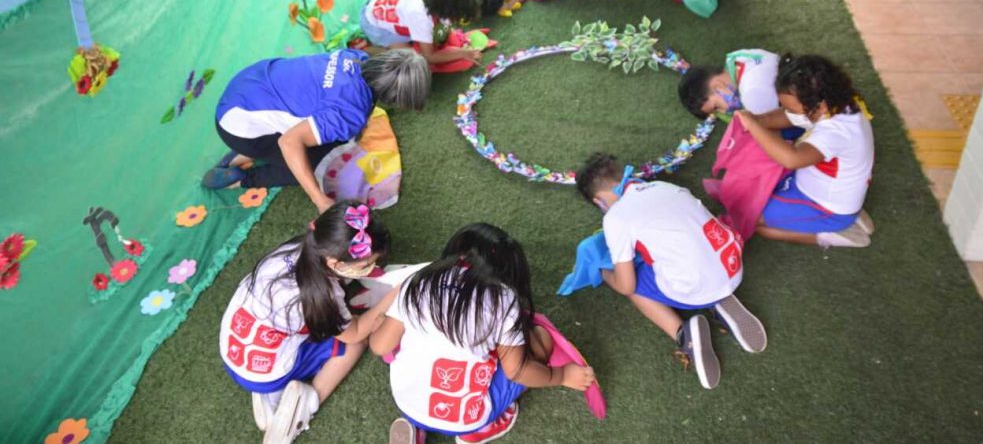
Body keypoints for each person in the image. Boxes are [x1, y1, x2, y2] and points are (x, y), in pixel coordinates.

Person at [371, 223, 595, 444]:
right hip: (465, 418)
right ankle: (480, 429)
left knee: (409, 343)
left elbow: (380, 347)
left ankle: (417, 428)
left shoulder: (419, 280)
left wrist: (383, 323)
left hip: (406, 403)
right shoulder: (503, 299)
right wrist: (561, 376)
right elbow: (518, 371)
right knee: (541, 340)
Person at [575, 154, 767, 391]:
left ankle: (683, 333)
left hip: (695, 284)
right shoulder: (664, 186)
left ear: (599, 201)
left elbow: (626, 285)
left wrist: (604, 272)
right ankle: (719, 300)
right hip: (731, 263)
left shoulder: (616, 217)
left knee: (634, 285)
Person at [220, 202, 395, 444]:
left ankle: (269, 394)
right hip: (266, 371)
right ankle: (302, 408)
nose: (370, 269)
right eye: (365, 265)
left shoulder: (295, 248)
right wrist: (394, 295)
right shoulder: (324, 294)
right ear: (335, 264)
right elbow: (354, 333)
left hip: (233, 352)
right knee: (354, 344)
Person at [203, 49, 430, 213]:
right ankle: (244, 177)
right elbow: (289, 142)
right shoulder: (350, 112)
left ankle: (248, 152)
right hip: (237, 127)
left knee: (330, 135)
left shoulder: (354, 57)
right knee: (316, 164)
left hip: (245, 87)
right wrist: (319, 199)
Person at [734, 54, 876, 249]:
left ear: (820, 106)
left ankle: (831, 234)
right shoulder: (836, 103)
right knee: (757, 195)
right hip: (827, 191)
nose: (788, 112)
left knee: (753, 220)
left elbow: (792, 159)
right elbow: (790, 117)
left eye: (792, 109)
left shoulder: (837, 132)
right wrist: (760, 120)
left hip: (826, 206)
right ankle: (847, 214)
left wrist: (753, 124)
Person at [360, 0, 484, 67]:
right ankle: (367, 49)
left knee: (432, 39)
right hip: (373, 24)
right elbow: (429, 56)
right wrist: (463, 53)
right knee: (411, 59)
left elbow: (444, 29)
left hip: (380, 5)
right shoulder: (422, 18)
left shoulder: (434, 2)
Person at [678, 48, 781, 119]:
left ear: (718, 86)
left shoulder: (751, 96)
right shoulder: (735, 57)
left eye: (716, 107)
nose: (723, 111)